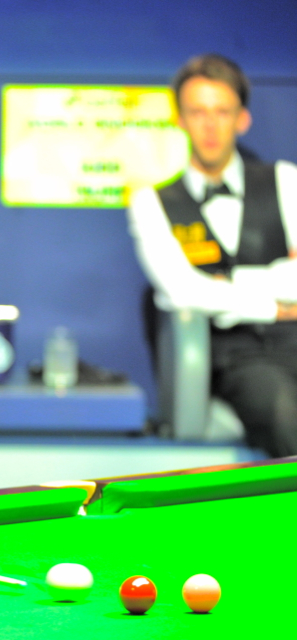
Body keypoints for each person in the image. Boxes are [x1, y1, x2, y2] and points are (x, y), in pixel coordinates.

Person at [128, 54, 297, 456]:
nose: (210, 125)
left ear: (242, 119)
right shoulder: (150, 202)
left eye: (222, 112)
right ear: (180, 120)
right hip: (236, 359)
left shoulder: (285, 179)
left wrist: (231, 283)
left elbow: (203, 287)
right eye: (198, 112)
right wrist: (275, 304)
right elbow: (183, 291)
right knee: (281, 409)